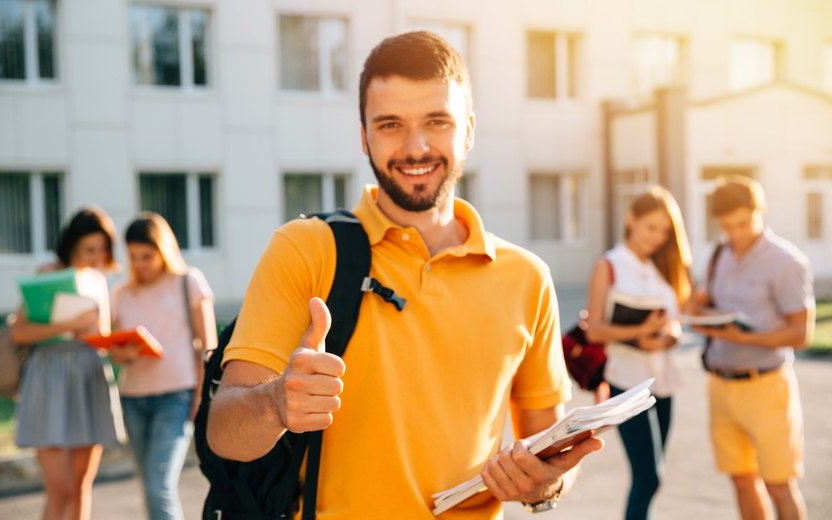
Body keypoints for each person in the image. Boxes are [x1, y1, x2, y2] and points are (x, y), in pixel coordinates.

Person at [206, 31, 603, 519]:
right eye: (390, 124)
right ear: (363, 135)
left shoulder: (528, 279)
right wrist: (275, 404)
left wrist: (545, 487)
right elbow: (223, 433)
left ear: (470, 131)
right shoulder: (305, 250)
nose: (415, 148)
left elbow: (549, 446)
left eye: (437, 121)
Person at [691, 176, 813, 520]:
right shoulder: (717, 255)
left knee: (779, 485)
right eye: (727, 225)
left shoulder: (786, 261)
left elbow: (801, 334)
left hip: (766, 387)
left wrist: (747, 338)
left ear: (761, 212)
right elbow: (696, 304)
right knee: (742, 481)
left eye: (743, 223)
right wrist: (704, 317)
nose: (736, 233)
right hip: (720, 384)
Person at [583, 186, 693, 520]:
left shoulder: (664, 266)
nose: (657, 237)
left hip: (662, 381)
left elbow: (675, 322)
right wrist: (640, 332)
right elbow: (595, 329)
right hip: (625, 382)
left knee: (653, 475)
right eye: (651, 227)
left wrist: (667, 338)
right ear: (632, 220)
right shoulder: (609, 265)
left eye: (664, 231)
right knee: (648, 476)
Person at [11, 206, 121, 520]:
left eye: (102, 249)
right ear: (71, 244)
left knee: (81, 487)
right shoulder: (48, 273)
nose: (96, 256)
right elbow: (19, 333)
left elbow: (101, 336)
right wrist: (69, 326)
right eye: (89, 249)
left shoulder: (99, 280)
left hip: (89, 377)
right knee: (59, 490)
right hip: (49, 379)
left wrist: (119, 344)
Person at [109, 212, 217, 520]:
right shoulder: (121, 292)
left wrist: (200, 398)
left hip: (177, 397)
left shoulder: (188, 281)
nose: (140, 263)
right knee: (149, 486)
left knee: (159, 486)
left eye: (147, 256)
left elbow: (208, 347)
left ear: (164, 250)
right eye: (133, 257)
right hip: (133, 397)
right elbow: (116, 350)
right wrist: (124, 353)